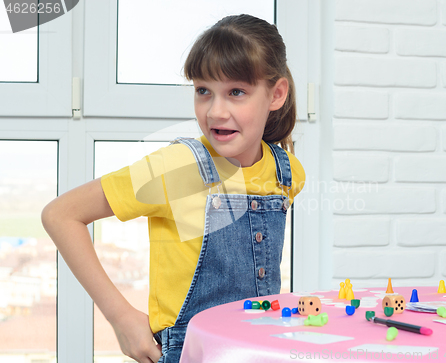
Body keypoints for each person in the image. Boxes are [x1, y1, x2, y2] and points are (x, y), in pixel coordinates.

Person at [42, 14, 305, 363]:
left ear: (277, 94)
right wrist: (120, 317)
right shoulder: (178, 168)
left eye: (236, 92)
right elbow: (60, 215)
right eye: (203, 91)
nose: (215, 111)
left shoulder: (287, 173)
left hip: (257, 350)